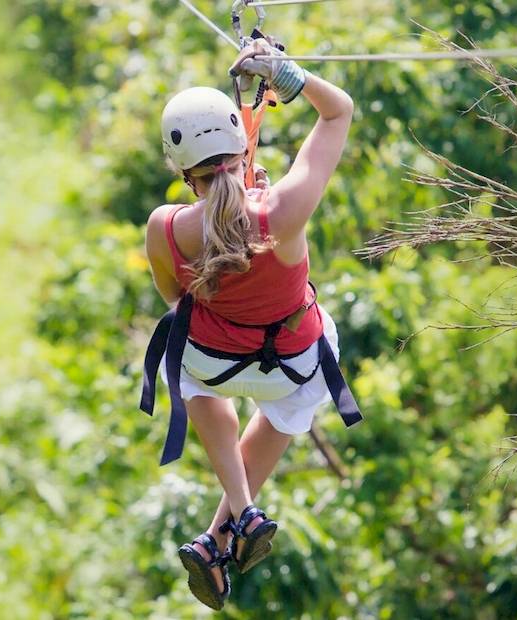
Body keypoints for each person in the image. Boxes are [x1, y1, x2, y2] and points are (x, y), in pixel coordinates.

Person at [140, 39, 356, 610]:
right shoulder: (283, 211)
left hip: (214, 360)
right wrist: (289, 76)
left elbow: (174, 295)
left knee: (179, 355)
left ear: (183, 171)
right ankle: (229, 523)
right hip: (294, 362)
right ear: (243, 146)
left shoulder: (165, 228)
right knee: (292, 398)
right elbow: (340, 111)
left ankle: (234, 520)